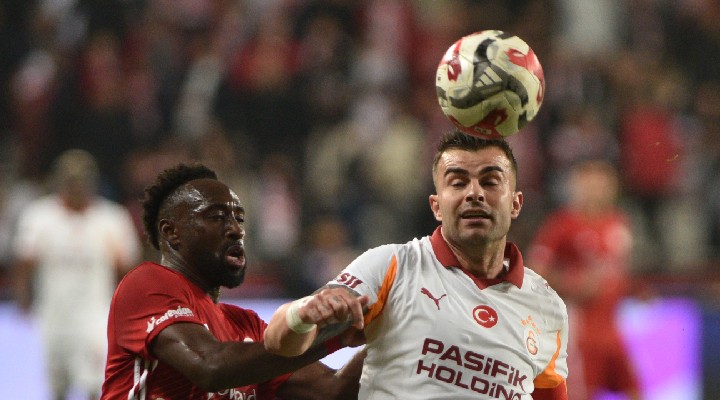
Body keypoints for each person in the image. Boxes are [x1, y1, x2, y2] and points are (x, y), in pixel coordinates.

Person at [264, 130, 570, 400]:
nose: (474, 193)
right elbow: (277, 340)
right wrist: (302, 316)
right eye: (458, 182)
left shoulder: (546, 304)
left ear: (515, 203)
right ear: (436, 206)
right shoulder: (392, 265)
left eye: (490, 182)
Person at [100, 162, 368, 400]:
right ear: (171, 233)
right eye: (217, 217)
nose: (236, 230)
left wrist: (387, 333)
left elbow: (332, 389)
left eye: (239, 218)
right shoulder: (147, 284)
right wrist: (327, 333)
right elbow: (210, 366)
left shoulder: (246, 326)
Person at [13, 149, 142, 400]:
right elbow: (24, 262)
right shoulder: (39, 217)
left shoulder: (111, 219)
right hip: (53, 315)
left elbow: (128, 270)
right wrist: (23, 298)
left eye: (82, 180)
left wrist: (127, 311)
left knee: (96, 385)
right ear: (59, 181)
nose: (76, 186)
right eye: (71, 180)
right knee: (57, 387)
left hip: (95, 316)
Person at [526, 160, 641, 400]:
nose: (596, 191)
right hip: (580, 331)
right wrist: (573, 285)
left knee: (635, 390)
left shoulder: (618, 222)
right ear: (575, 187)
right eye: (590, 185)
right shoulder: (562, 224)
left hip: (611, 327)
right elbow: (535, 272)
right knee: (580, 393)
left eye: (602, 184)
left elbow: (619, 271)